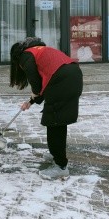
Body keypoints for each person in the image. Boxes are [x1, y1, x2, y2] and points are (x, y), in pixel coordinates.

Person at [9, 37, 83, 180]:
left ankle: (60, 166)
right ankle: (56, 154)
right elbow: (46, 81)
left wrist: (34, 95)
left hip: (61, 80)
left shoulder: (26, 55)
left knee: (54, 122)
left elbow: (36, 84)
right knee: (59, 120)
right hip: (73, 76)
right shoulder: (41, 50)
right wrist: (30, 102)